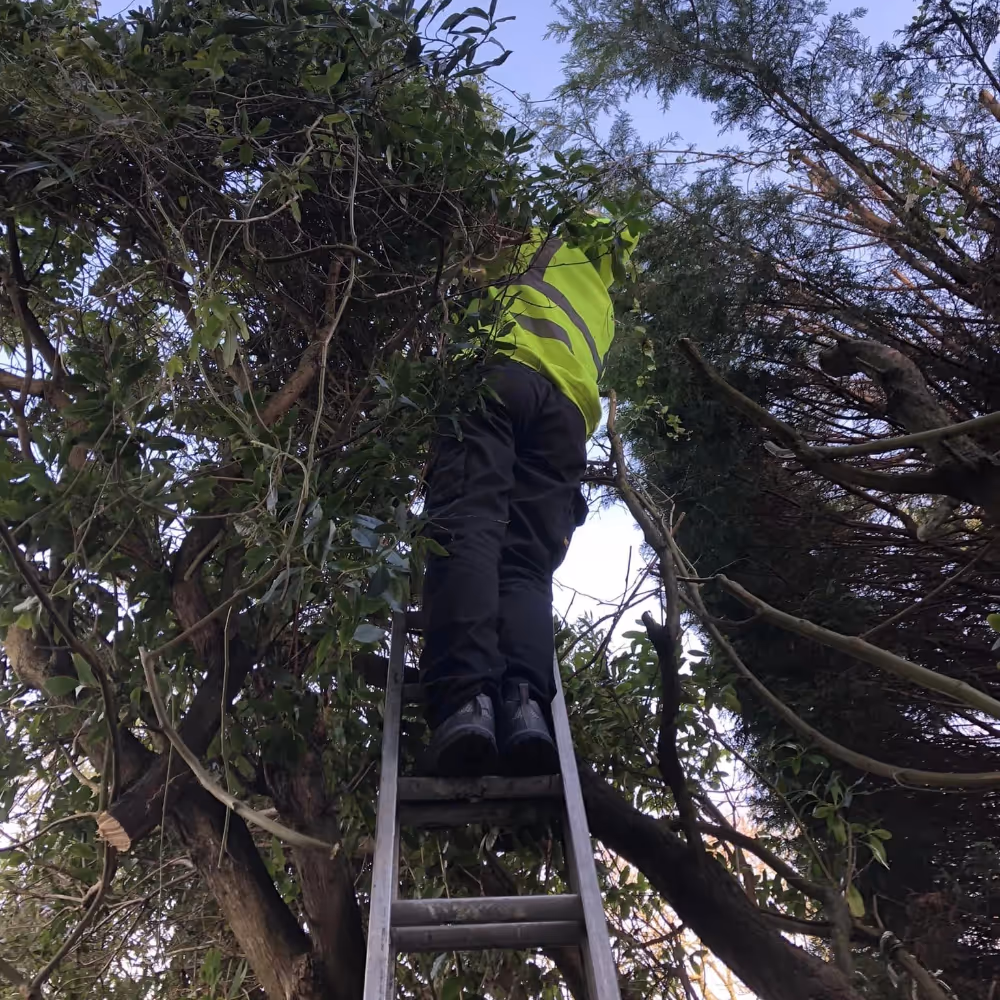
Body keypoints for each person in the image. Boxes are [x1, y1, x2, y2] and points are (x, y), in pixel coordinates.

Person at [419, 218, 638, 778]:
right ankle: (526, 712)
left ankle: (466, 701)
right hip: (567, 420)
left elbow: (458, 263)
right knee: (525, 563)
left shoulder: (541, 240)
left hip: (503, 372)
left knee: (468, 525)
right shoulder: (603, 305)